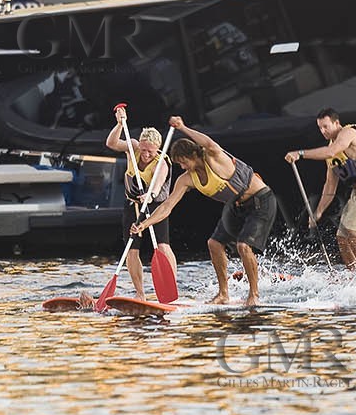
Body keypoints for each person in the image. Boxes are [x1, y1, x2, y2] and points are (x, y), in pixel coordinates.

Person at [132, 116, 275, 306]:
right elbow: (167, 206)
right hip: (237, 206)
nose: (182, 167)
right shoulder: (187, 179)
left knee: (243, 246)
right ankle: (223, 294)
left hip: (261, 201)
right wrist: (144, 224)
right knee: (214, 243)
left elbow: (208, 142)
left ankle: (254, 295)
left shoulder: (213, 157)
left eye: (183, 162)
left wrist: (183, 127)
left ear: (193, 155)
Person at [285, 108, 356, 272]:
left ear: (336, 123)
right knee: (342, 236)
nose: (323, 131)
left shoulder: (348, 132)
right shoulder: (331, 153)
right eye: (320, 128)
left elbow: (331, 151)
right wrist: (318, 212)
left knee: (352, 231)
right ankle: (353, 275)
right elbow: (330, 186)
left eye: (326, 126)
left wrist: (300, 153)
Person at [105, 107, 177, 298]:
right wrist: (120, 124)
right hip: (132, 204)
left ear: (158, 149)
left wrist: (151, 195)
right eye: (143, 150)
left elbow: (158, 183)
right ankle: (140, 293)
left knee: (162, 246)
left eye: (150, 152)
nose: (145, 154)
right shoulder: (133, 146)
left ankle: (171, 288)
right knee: (131, 248)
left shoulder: (161, 162)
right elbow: (111, 143)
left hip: (155, 206)